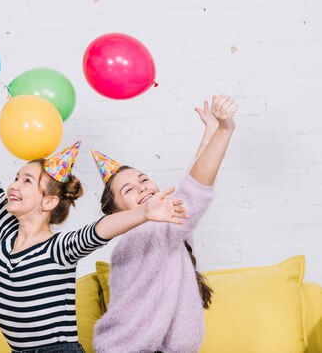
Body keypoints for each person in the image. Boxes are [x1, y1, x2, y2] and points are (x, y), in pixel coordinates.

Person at [0, 60, 189, 353]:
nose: (14, 186)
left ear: (48, 201)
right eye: (16, 178)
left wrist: (145, 212)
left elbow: (98, 231)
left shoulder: (58, 249)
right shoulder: (4, 228)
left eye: (27, 181)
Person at [92, 94, 238, 353]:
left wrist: (210, 131)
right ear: (118, 213)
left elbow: (190, 184)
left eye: (144, 179)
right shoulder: (141, 236)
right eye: (129, 190)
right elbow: (193, 191)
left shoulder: (164, 230)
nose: (142, 188)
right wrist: (224, 132)